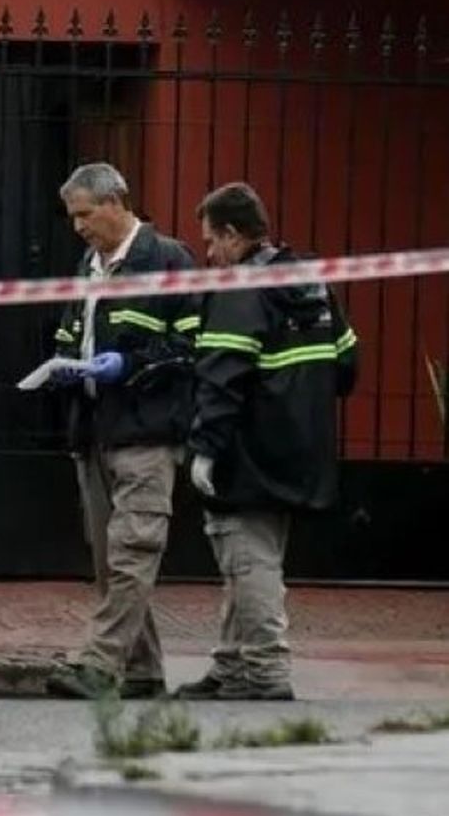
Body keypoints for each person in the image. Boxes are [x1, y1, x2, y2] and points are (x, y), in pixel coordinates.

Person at [178, 183, 357, 701]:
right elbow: (346, 365)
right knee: (249, 557)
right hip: (302, 449)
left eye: (212, 241)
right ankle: (232, 669)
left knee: (249, 561)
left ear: (234, 235)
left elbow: (221, 377)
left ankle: (265, 672)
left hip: (247, 453)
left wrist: (206, 448)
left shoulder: (241, 290)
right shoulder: (310, 282)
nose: (210, 254)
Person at [43, 163, 201, 700]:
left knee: (133, 552)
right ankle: (142, 670)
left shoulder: (169, 261)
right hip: (94, 432)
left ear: (118, 202)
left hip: (146, 434)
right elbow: (70, 332)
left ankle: (98, 664)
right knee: (110, 563)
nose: (79, 226)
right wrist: (65, 363)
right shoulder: (88, 266)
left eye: (86, 214)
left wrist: (128, 365)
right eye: (73, 217)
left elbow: (190, 348)